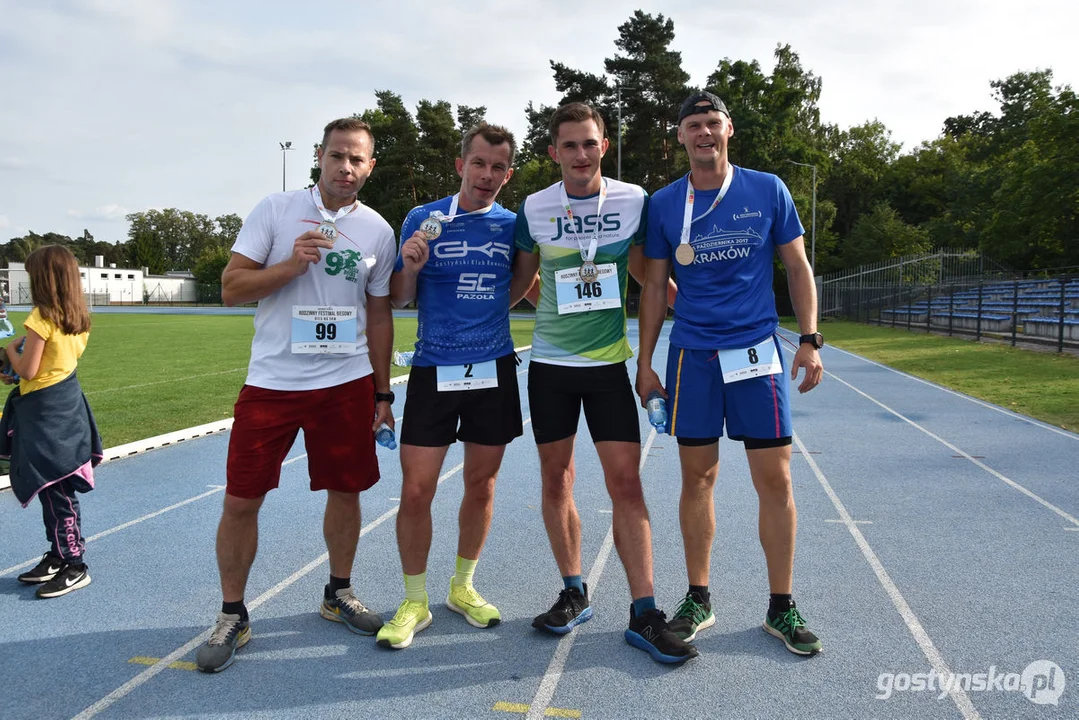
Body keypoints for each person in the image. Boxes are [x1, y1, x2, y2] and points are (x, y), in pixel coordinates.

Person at [196, 118, 397, 673]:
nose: (346, 168)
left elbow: (378, 315)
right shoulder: (276, 210)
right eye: (337, 156)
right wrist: (289, 265)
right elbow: (231, 290)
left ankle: (338, 592)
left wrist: (383, 393)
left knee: (347, 489)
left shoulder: (378, 230)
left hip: (345, 381)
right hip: (273, 384)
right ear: (319, 156)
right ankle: (233, 614)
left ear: (370, 166)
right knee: (241, 498)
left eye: (357, 160)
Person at [636, 91, 824, 656]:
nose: (703, 133)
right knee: (697, 479)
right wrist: (645, 364)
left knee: (777, 481)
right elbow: (652, 288)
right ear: (680, 136)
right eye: (692, 125)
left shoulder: (767, 188)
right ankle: (699, 597)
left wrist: (810, 340)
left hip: (756, 355)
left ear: (728, 129)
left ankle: (781, 606)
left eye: (712, 123)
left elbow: (797, 265)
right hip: (693, 356)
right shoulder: (665, 203)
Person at [513, 102, 696, 664]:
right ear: (553, 152)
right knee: (556, 480)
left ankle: (645, 612)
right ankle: (574, 591)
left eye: (589, 143)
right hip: (549, 369)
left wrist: (688, 304)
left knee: (627, 486)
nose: (580, 154)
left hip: (608, 369)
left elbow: (647, 273)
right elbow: (521, 281)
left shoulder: (633, 200)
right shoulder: (535, 207)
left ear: (604, 146)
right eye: (568, 145)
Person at [375, 122, 536, 650]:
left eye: (498, 168)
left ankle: (462, 587)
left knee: (481, 485)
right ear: (460, 165)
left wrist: (491, 316)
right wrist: (413, 267)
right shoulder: (424, 219)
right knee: (416, 488)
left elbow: (522, 282)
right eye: (479, 164)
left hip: (493, 368)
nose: (487, 175)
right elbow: (398, 297)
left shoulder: (513, 224)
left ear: (507, 174)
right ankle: (414, 599)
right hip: (433, 369)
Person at [1, 245, 101, 599]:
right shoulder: (77, 318)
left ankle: (75, 563)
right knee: (54, 489)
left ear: (43, 279)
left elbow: (28, 369)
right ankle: (58, 556)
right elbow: (50, 367)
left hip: (46, 416)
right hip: (66, 407)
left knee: (57, 490)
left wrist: (10, 352)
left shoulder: (41, 319)